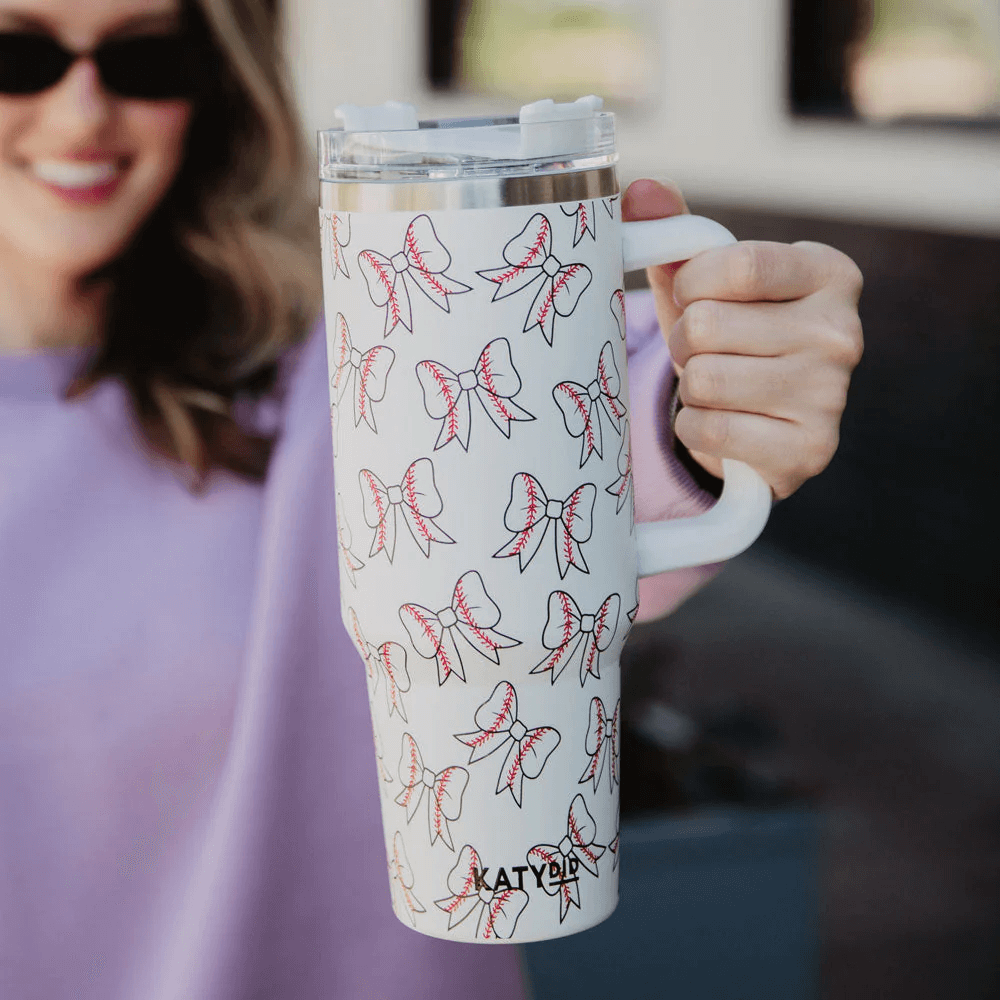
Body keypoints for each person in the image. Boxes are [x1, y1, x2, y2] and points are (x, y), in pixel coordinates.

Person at [0, 0, 864, 996]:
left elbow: (581, 420)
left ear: (217, 82)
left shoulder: (354, 360)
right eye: (17, 53)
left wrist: (724, 393)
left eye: (146, 57)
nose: (81, 115)